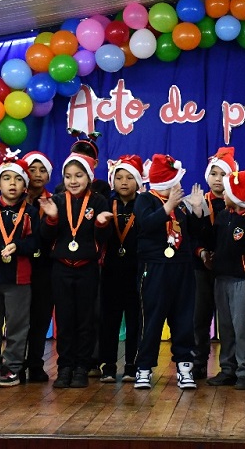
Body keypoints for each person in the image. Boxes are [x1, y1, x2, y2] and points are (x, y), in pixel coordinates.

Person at [39, 152, 111, 389]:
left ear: (89, 177)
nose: (73, 181)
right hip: (61, 269)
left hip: (87, 268)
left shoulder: (99, 201)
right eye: (68, 176)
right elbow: (46, 237)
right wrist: (50, 219)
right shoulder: (57, 201)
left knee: (86, 319)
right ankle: (64, 367)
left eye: (78, 175)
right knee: (65, 319)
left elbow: (105, 238)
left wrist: (101, 224)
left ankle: (82, 366)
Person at [131, 154, 200, 390]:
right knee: (151, 320)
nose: (180, 186)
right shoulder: (145, 200)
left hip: (182, 267)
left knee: (183, 319)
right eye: (176, 181)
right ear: (166, 183)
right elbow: (146, 224)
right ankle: (143, 368)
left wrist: (198, 211)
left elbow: (193, 235)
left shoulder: (182, 205)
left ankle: (184, 366)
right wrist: (168, 206)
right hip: (155, 267)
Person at [0, 151, 41, 387]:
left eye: (18, 179)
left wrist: (18, 246)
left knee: (17, 325)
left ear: (25, 185)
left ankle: (13, 368)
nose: (12, 184)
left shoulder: (31, 213)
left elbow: (35, 243)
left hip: (20, 279)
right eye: (7, 179)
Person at [207, 170, 245, 389]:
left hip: (242, 280)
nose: (224, 193)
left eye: (228, 190)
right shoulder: (223, 216)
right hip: (221, 278)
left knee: (242, 327)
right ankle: (227, 368)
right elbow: (213, 241)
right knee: (226, 326)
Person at [186, 147, 237, 380]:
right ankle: (198, 363)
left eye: (223, 174)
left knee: (229, 320)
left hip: (228, 269)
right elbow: (191, 237)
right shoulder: (198, 201)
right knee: (200, 317)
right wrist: (202, 251)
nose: (218, 179)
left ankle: (230, 365)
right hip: (201, 267)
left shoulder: (236, 204)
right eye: (214, 174)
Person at [98, 154, 145, 384]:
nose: (124, 182)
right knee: (109, 320)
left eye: (129, 177)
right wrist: (100, 224)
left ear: (138, 181)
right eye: (119, 177)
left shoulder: (145, 205)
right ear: (112, 181)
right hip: (110, 271)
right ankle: (107, 365)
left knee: (135, 320)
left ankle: (131, 366)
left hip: (136, 272)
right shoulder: (107, 203)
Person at [21, 151, 55, 383]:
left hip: (45, 265)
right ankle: (14, 362)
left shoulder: (54, 201)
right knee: (18, 317)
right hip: (18, 264)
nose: (37, 174)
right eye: (32, 169)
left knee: (41, 317)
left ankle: (35, 363)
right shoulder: (12, 198)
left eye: (42, 170)